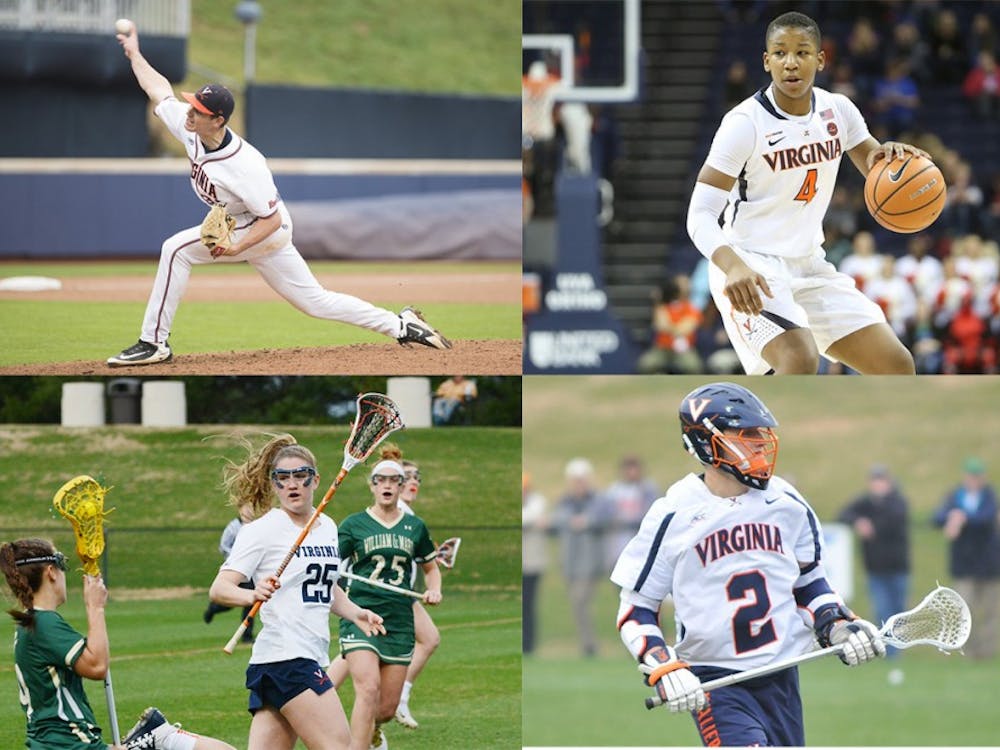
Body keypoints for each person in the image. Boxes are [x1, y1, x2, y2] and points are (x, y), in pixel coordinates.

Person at [106, 23, 450, 367]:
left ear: (220, 120)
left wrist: (239, 247)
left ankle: (153, 343)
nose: (190, 113)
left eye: (199, 111)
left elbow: (272, 219)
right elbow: (159, 90)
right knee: (316, 302)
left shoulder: (245, 166)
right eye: (193, 106)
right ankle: (402, 325)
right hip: (244, 222)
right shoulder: (192, 127)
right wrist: (135, 54)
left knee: (176, 249)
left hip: (263, 228)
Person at [611, 382, 885, 746]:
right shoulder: (674, 514)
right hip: (714, 681)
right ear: (706, 443)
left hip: (780, 678)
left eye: (761, 434)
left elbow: (808, 584)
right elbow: (636, 607)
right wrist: (663, 664)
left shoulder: (786, 503)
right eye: (745, 434)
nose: (758, 444)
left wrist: (835, 624)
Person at [685, 11, 921, 375]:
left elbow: (874, 165)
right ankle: (740, 430)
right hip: (752, 267)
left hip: (810, 264)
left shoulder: (838, 110)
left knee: (896, 365)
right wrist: (733, 267)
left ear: (821, 59)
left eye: (802, 52)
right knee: (799, 359)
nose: (791, 63)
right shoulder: (743, 124)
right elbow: (699, 214)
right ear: (766, 62)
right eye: (780, 53)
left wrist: (895, 162)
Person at [207, 435, 386, 750]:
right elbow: (220, 589)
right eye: (283, 477)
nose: (292, 484)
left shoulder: (327, 527)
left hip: (293, 659)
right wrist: (252, 594)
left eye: (300, 475)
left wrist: (356, 612)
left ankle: (166, 738)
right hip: (288, 659)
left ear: (315, 480)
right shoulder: (262, 530)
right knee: (340, 746)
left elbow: (325, 588)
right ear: (274, 485)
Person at [1, 538, 236, 750]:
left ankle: (152, 737)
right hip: (69, 746)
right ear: (51, 572)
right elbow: (96, 666)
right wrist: (95, 607)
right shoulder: (44, 623)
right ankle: (155, 737)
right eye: (62, 562)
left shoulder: (32, 623)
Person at [326, 446, 444, 731]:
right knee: (367, 688)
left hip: (399, 611)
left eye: (394, 481)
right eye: (382, 481)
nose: (388, 486)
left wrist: (434, 589)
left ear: (400, 486)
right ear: (373, 485)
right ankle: (326, 715)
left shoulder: (413, 525)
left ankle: (374, 725)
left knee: (384, 710)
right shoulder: (355, 525)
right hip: (362, 610)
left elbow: (431, 568)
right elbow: (329, 561)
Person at [837, 465, 910, 666]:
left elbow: (892, 522)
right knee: (883, 610)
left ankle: (898, 652)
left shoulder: (897, 502)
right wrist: (859, 521)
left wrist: (870, 524)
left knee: (899, 612)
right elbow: (843, 514)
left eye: (881, 481)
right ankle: (889, 652)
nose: (877, 485)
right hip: (875, 569)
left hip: (897, 567)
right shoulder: (865, 503)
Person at [932, 457, 1000, 660]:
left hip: (990, 565)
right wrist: (951, 518)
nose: (973, 480)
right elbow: (937, 518)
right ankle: (968, 653)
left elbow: (986, 519)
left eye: (977, 476)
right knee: (964, 611)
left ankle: (986, 652)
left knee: (991, 611)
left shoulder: (989, 497)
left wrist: (962, 519)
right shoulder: (955, 497)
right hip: (963, 565)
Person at [550, 458, 607, 657]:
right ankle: (587, 643)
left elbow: (601, 518)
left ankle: (589, 644)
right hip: (569, 563)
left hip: (590, 563)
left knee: (580, 600)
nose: (578, 484)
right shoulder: (565, 502)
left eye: (581, 480)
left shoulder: (597, 500)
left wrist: (585, 521)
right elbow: (556, 520)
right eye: (575, 480)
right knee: (577, 604)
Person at [203, 504, 256, 642]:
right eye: (246, 508)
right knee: (230, 603)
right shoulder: (233, 527)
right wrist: (236, 560)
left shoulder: (257, 526)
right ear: (240, 509)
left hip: (251, 572)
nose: (249, 511)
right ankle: (214, 608)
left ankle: (247, 635)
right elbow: (224, 546)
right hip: (237, 572)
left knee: (251, 603)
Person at [601, 455, 660, 569]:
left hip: (642, 544)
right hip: (619, 544)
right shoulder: (614, 490)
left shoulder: (648, 489)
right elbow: (607, 515)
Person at [522, 472, 547, 656]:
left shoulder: (538, 501)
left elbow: (529, 516)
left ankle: (529, 645)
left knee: (529, 605)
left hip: (533, 563)